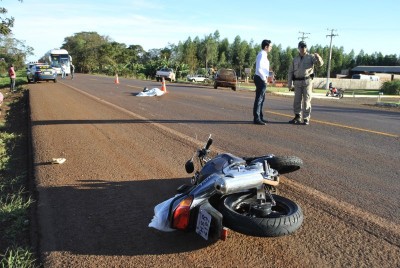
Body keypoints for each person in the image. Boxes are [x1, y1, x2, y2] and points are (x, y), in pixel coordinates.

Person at [287, 41, 323, 125]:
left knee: (306, 100)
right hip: (297, 82)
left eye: (304, 47)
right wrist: (289, 83)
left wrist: (318, 58)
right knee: (297, 101)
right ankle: (297, 117)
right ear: (298, 48)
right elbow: (290, 72)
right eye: (301, 47)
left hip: (307, 82)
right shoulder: (295, 59)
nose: (303, 48)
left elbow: (320, 64)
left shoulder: (311, 57)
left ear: (306, 48)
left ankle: (306, 118)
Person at [253, 39, 272, 125]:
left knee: (261, 99)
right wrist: (264, 79)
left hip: (261, 78)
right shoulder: (261, 54)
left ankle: (260, 117)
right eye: (270, 46)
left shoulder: (264, 55)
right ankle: (257, 118)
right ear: (266, 47)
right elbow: (259, 68)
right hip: (260, 78)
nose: (271, 48)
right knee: (259, 99)